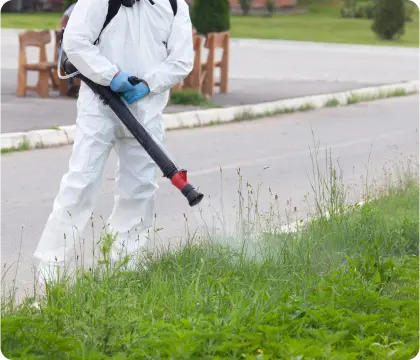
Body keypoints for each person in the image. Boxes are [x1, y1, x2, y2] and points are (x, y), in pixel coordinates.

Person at [33, 0, 194, 283]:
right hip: (100, 108)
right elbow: (76, 42)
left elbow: (181, 61)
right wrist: (112, 76)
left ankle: (122, 271)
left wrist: (149, 84)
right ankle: (49, 275)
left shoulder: (174, 5)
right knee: (81, 184)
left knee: (139, 190)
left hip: (147, 111)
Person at [57, 1, 79, 97]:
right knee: (67, 56)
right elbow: (64, 18)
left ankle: (74, 85)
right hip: (69, 44)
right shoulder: (77, 6)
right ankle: (72, 85)